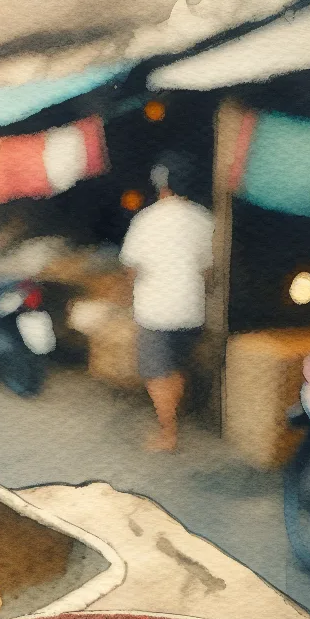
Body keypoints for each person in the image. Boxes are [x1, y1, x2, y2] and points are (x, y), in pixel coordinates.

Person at [120, 153, 215, 451]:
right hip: (191, 309)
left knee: (157, 372)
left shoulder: (146, 220)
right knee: (176, 366)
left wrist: (128, 293)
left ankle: (168, 433)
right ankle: (172, 416)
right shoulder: (205, 219)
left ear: (161, 186)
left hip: (156, 310)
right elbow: (209, 269)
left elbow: (131, 268)